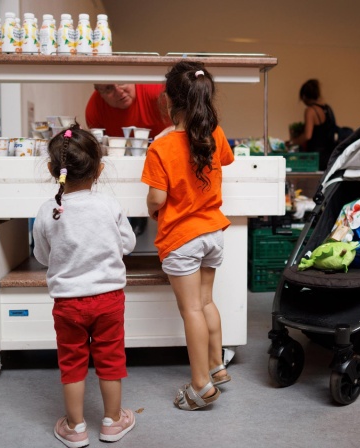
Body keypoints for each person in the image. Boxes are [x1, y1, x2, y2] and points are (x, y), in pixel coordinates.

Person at [33, 123, 137, 447]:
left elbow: (41, 256)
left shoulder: (49, 211)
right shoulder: (109, 205)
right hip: (108, 299)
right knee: (110, 358)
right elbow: (129, 244)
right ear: (99, 168)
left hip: (67, 304)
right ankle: (113, 421)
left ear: (53, 170)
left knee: (72, 363)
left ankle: (75, 427)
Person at [141, 60, 234, 411]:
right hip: (213, 232)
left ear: (168, 100)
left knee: (191, 309)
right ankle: (217, 366)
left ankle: (200, 385)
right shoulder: (215, 133)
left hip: (182, 238)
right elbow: (223, 160)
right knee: (207, 301)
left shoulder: (161, 148)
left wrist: (153, 209)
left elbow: (157, 199)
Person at [85, 83, 171, 138]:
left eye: (122, 82)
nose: (119, 92)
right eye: (108, 88)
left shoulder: (156, 91)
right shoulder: (94, 110)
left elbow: (184, 118)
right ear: (100, 93)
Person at [289, 79, 337, 171]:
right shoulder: (327, 109)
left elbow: (307, 135)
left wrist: (293, 142)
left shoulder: (310, 111)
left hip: (315, 157)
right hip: (329, 155)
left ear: (304, 96)